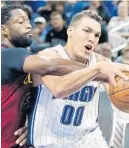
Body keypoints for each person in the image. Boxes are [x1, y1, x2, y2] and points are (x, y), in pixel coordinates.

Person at [27, 10, 129, 148]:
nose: (92, 38)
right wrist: (96, 69)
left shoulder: (101, 61)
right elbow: (59, 89)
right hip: (49, 140)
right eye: (87, 31)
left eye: (97, 35)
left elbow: (118, 91)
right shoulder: (48, 56)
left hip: (87, 139)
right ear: (70, 31)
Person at [1, 5, 90, 148]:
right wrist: (98, 70)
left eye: (28, 20)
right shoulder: (9, 54)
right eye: (20, 21)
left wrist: (31, 125)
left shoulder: (25, 62)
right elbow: (52, 66)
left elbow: (35, 102)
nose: (28, 25)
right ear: (3, 29)